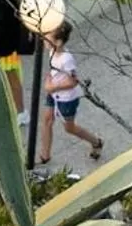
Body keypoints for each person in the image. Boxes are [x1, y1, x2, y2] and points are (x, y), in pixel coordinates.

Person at [35, 21, 103, 166]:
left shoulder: (67, 59)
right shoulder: (53, 51)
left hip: (66, 98)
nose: (45, 39)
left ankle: (96, 141)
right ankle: (44, 155)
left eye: (48, 37)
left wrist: (52, 86)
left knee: (69, 128)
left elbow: (73, 81)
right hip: (54, 93)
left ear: (58, 42)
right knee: (47, 120)